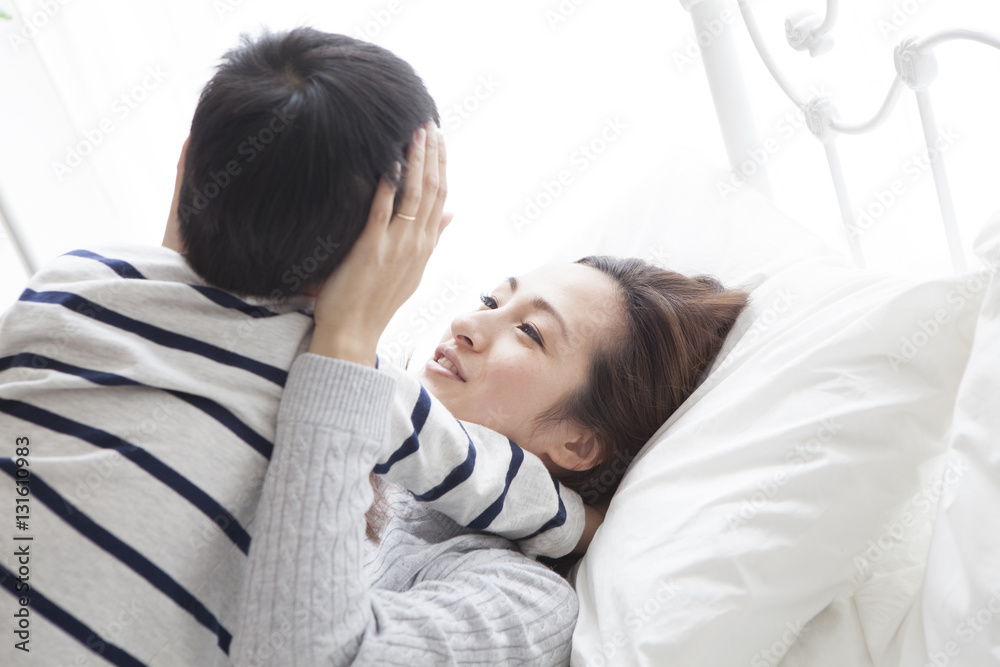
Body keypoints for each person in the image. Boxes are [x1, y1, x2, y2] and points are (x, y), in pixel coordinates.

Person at [0, 27, 449, 666]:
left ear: (186, 161)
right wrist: (575, 518)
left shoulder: (68, 283)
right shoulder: (349, 389)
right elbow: (483, 473)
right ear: (386, 255)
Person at [229, 128, 750, 663]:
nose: (467, 323)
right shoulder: (351, 396)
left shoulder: (519, 599)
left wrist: (346, 342)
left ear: (577, 443)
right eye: (489, 300)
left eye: (530, 333)